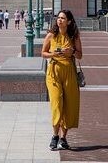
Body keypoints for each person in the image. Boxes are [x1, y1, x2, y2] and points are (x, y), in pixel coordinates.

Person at [41, 10, 82, 151]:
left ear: (69, 21)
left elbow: (80, 55)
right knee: (57, 104)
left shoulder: (73, 36)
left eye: (63, 18)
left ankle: (63, 138)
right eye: (58, 18)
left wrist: (72, 52)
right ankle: (54, 136)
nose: (59, 20)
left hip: (69, 72)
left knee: (69, 106)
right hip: (53, 72)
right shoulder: (51, 35)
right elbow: (43, 53)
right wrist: (54, 53)